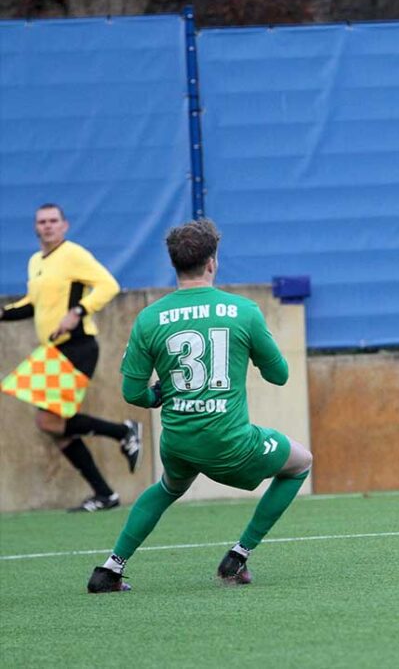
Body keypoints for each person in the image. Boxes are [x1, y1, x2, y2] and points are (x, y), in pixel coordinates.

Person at [87, 218, 312, 593]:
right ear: (212, 262)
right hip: (230, 444)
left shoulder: (150, 318)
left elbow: (133, 393)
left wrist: (157, 395)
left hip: (177, 442)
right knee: (300, 462)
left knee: (168, 487)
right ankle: (238, 555)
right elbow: (279, 376)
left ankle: (110, 568)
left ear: (174, 264)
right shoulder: (244, 311)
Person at [0, 203, 142, 512]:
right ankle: (105, 493)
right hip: (53, 350)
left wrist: (78, 312)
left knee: (49, 420)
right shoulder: (36, 260)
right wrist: (4, 313)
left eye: (53, 221)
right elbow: (32, 303)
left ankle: (124, 432)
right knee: (52, 426)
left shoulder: (73, 254)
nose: (48, 226)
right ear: (36, 227)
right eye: (42, 222)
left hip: (78, 346)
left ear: (64, 225)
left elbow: (109, 285)